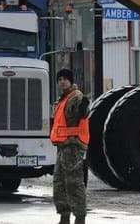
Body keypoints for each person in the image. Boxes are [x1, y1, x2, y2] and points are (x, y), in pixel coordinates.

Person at [50, 68, 90, 224]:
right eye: (59, 79)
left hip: (73, 146)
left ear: (71, 81)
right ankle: (64, 217)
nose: (62, 81)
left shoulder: (76, 97)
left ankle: (80, 218)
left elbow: (83, 111)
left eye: (65, 79)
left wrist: (84, 108)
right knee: (59, 184)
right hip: (62, 147)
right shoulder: (62, 100)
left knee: (73, 183)